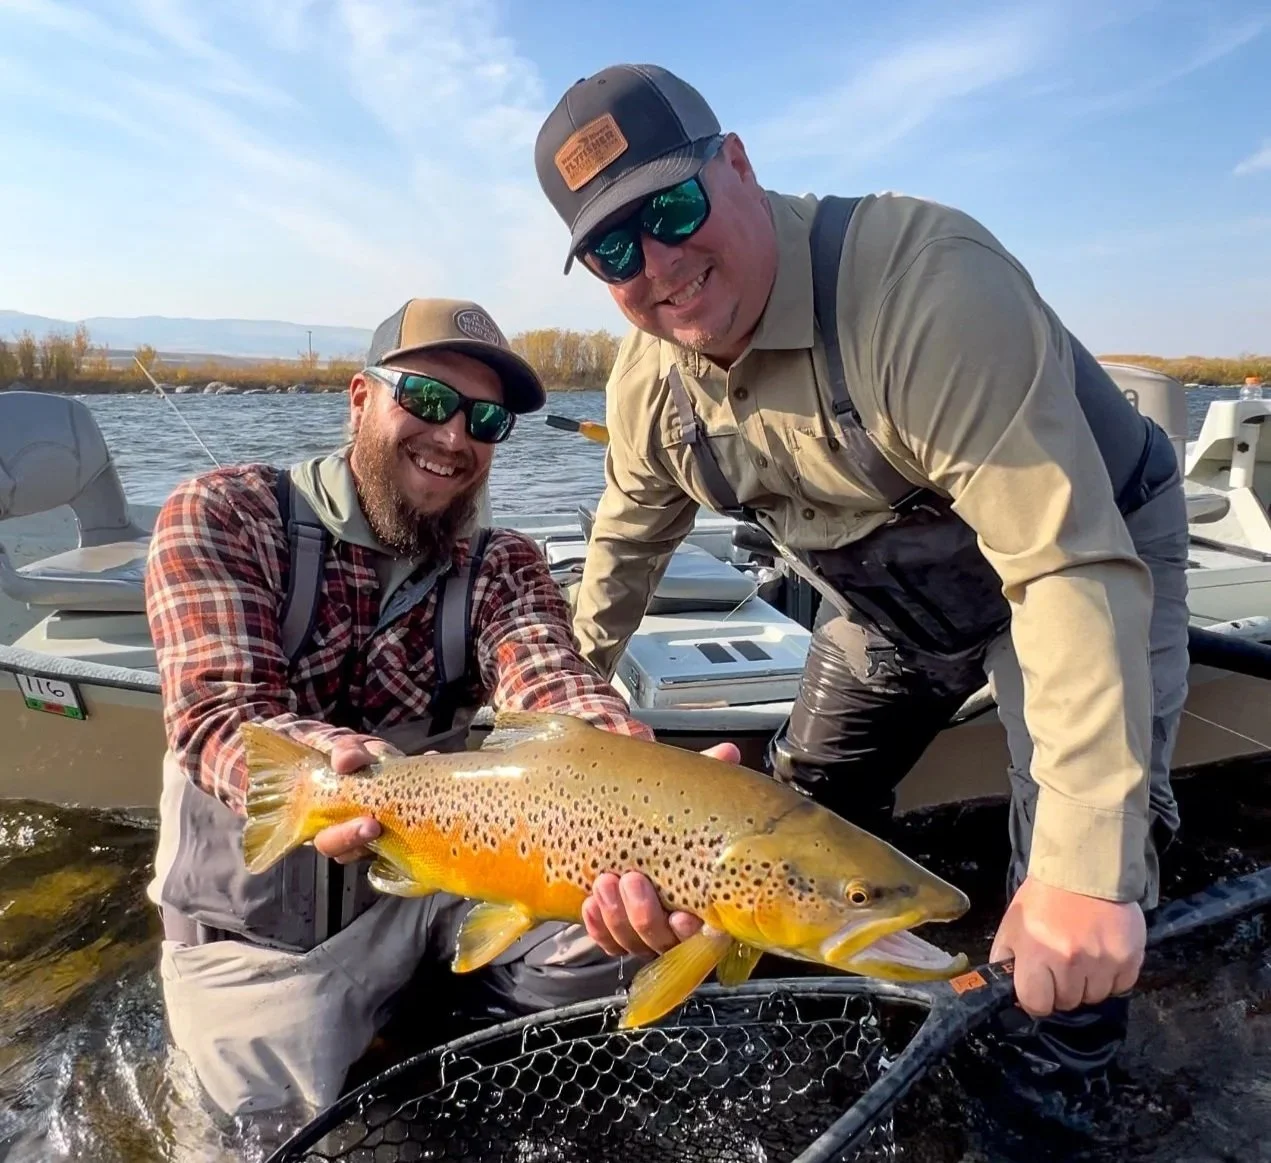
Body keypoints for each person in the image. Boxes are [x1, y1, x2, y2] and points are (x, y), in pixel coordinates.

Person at [533, 64, 1190, 1138]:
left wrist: (1081, 872)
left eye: (671, 209)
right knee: (806, 805)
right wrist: (554, 706)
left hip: (1083, 552)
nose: (657, 265)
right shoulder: (646, 385)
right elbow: (617, 560)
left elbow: (1063, 570)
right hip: (883, 601)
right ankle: (841, 1001)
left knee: (1084, 866)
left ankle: (1049, 1105)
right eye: (612, 249)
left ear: (735, 164)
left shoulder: (922, 284)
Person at [143, 294, 737, 1126]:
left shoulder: (504, 563)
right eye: (425, 401)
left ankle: (447, 1038)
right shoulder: (224, 513)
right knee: (252, 1139)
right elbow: (218, 713)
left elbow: (548, 673)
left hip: (434, 892)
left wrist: (628, 766)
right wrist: (334, 775)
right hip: (264, 934)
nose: (455, 436)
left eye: (486, 420)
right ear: (360, 398)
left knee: (633, 931)